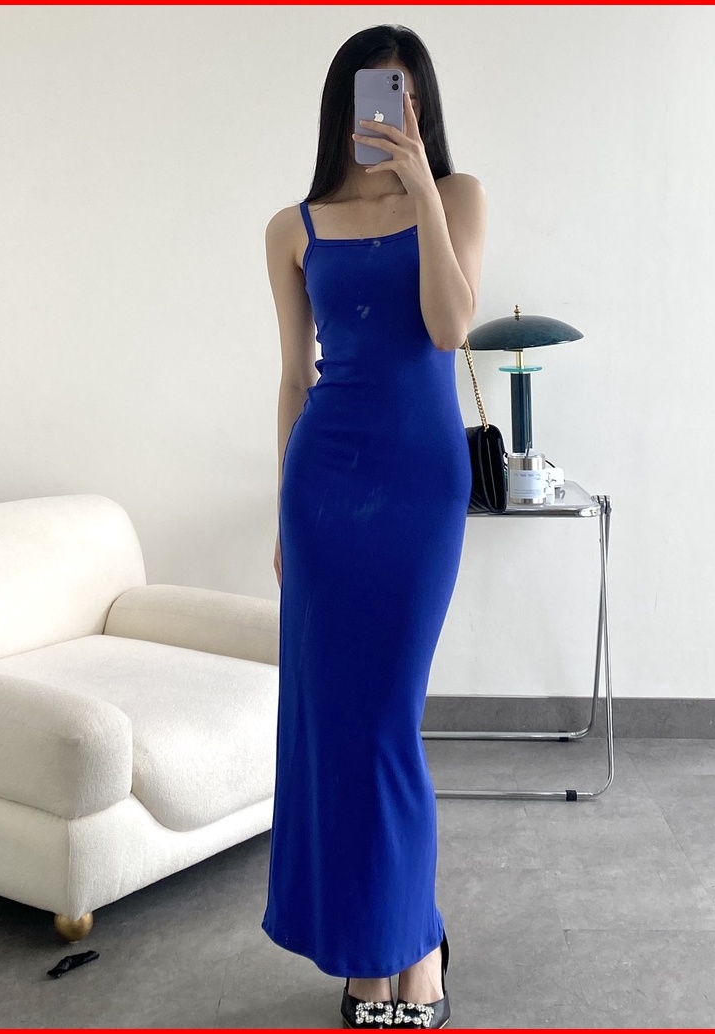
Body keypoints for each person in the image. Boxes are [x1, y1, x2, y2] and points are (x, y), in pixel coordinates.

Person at [259, 23, 487, 1031]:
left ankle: (414, 948)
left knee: (387, 721)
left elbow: (448, 325)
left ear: (422, 106)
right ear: (341, 107)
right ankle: (372, 955)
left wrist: (423, 192)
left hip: (418, 487)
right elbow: (290, 376)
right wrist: (283, 508)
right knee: (338, 727)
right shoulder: (291, 226)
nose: (395, 113)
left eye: (408, 95)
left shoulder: (459, 196)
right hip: (322, 490)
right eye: (376, 94)